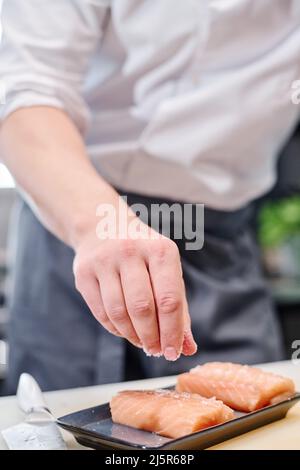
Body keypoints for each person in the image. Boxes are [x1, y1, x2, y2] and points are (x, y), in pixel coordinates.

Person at [0, 0, 299, 392]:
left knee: (254, 419)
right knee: (62, 422)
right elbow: (25, 90)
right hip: (85, 227)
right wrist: (99, 224)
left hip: (225, 241)